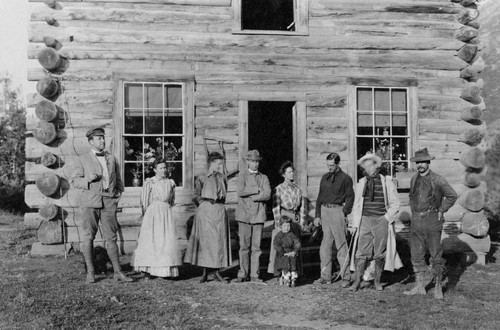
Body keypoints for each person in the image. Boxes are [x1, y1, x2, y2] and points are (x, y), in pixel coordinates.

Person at [70, 127, 132, 283]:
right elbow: (74, 181)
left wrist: (117, 196)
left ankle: (118, 271)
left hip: (109, 202)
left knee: (111, 238)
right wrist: (88, 179)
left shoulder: (111, 158)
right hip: (90, 202)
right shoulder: (82, 159)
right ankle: (90, 272)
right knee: (88, 236)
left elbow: (118, 180)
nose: (103, 141)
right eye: (99, 138)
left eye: (103, 138)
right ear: (91, 141)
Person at [403, 148, 457, 299]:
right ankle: (420, 286)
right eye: (418, 162)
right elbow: (411, 197)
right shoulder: (414, 179)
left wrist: (441, 210)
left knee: (435, 255)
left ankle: (438, 287)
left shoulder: (438, 179)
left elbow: (452, 196)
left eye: (423, 162)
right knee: (416, 253)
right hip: (416, 221)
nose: (420, 165)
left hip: (432, 219)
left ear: (428, 162)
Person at [348, 153, 402, 291]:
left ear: (376, 166)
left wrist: (386, 218)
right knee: (361, 252)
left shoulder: (386, 182)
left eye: (370, 164)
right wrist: (354, 224)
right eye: (365, 166)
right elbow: (357, 205)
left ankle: (377, 281)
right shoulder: (361, 183)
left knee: (379, 252)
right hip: (364, 220)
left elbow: (395, 204)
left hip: (380, 220)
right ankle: (357, 281)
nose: (368, 168)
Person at [184, 152, 232, 283]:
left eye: (221, 164)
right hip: (206, 211)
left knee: (218, 242)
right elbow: (196, 195)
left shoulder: (223, 178)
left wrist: (218, 206)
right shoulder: (202, 178)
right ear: (211, 163)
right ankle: (205, 273)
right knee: (206, 242)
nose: (219, 166)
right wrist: (204, 207)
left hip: (219, 211)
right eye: (217, 164)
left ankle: (217, 272)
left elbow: (224, 195)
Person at [131, 159, 181, 279]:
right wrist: (148, 213)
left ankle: (164, 270)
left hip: (166, 212)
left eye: (164, 168)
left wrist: (167, 209)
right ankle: (148, 270)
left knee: (165, 241)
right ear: (155, 170)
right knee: (152, 240)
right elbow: (144, 200)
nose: (163, 170)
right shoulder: (150, 182)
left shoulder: (170, 182)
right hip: (153, 212)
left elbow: (172, 199)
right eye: (160, 168)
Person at [313, 152, 355, 286]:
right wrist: (317, 215)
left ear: (337, 164)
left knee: (341, 246)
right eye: (327, 165)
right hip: (325, 212)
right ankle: (325, 276)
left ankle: (346, 277)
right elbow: (320, 197)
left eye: (331, 165)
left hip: (337, 211)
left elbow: (350, 197)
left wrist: (344, 212)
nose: (329, 168)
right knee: (325, 246)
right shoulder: (324, 178)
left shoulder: (345, 178)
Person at [234, 150, 271, 283]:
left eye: (257, 162)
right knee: (244, 246)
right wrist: (256, 191)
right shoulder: (242, 176)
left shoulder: (263, 177)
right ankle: (242, 274)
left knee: (256, 247)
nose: (255, 164)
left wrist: (253, 197)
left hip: (258, 215)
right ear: (247, 162)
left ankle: (255, 275)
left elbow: (267, 194)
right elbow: (240, 191)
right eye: (253, 161)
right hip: (244, 215)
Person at [267, 161, 306, 277]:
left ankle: (295, 270)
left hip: (295, 218)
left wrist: (302, 222)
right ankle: (281, 270)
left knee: (295, 243)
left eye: (292, 171)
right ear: (283, 174)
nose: (292, 174)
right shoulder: (279, 189)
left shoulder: (298, 189)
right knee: (283, 243)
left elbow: (302, 206)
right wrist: (278, 223)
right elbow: (275, 207)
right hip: (284, 216)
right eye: (289, 172)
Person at [273, 216, 301, 287]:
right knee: (285, 264)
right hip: (283, 253)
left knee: (293, 263)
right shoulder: (279, 236)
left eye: (288, 225)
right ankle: (285, 277)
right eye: (284, 226)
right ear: (281, 226)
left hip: (291, 252)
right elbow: (276, 245)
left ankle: (293, 276)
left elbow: (297, 243)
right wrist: (282, 252)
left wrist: (295, 251)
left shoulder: (292, 235)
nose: (286, 227)